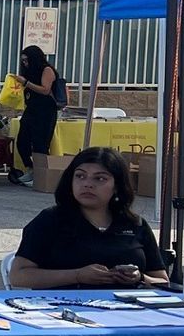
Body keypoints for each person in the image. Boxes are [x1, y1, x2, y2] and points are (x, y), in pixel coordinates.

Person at [12, 148, 166, 290]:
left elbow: (163, 282)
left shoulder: (135, 224)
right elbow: (18, 276)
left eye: (100, 179)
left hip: (129, 311)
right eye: (80, 176)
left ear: (117, 186)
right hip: (61, 309)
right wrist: (76, 275)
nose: (87, 184)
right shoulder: (50, 220)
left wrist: (139, 278)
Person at [10, 45, 63, 185]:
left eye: (27, 60)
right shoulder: (29, 71)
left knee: (41, 143)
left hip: (45, 111)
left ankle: (41, 174)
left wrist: (26, 83)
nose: (25, 64)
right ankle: (31, 168)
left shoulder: (47, 70)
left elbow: (45, 90)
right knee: (22, 141)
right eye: (23, 61)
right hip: (31, 109)